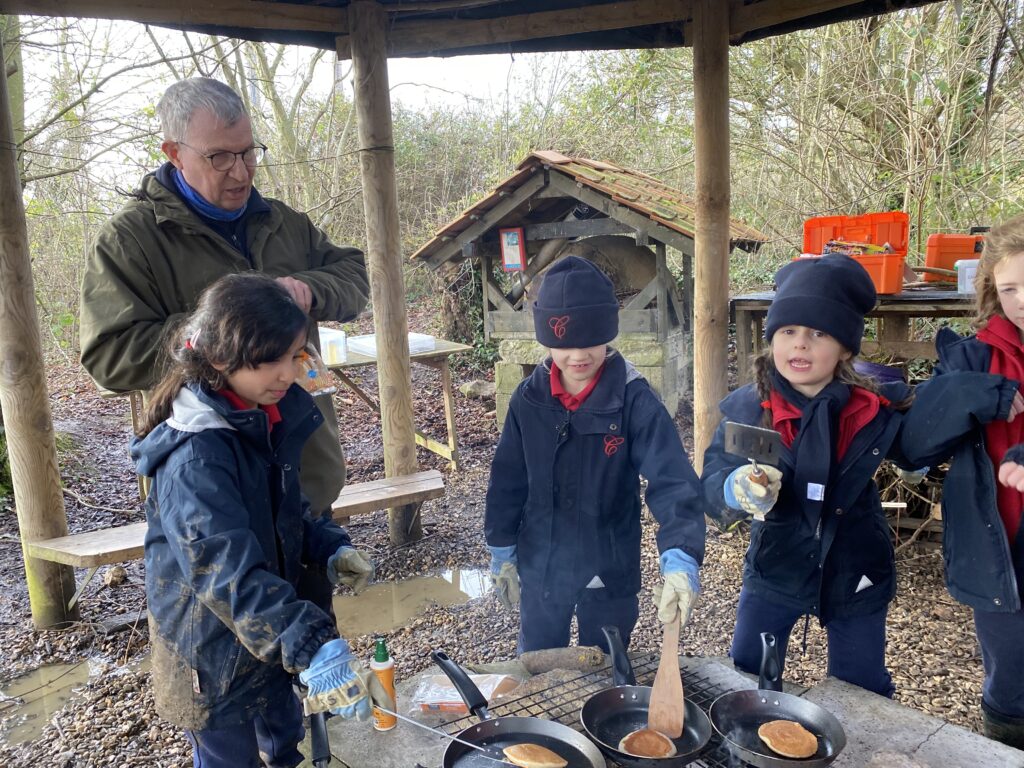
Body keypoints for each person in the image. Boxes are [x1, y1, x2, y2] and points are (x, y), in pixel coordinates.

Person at [79, 76, 369, 525]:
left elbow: (354, 276)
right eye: (219, 157)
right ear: (174, 153)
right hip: (210, 491)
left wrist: (309, 290)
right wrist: (221, 334)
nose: (241, 171)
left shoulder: (284, 222)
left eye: (249, 151)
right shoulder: (129, 240)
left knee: (310, 595)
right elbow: (109, 356)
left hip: (306, 478)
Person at [132, 273, 390, 768]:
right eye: (269, 360)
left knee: (288, 742)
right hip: (209, 643)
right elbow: (224, 573)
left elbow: (285, 508)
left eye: (293, 355)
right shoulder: (196, 456)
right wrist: (310, 644)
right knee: (231, 757)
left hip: (267, 626)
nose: (286, 374)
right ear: (219, 358)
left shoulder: (264, 412)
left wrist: (328, 546)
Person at [701, 254, 917, 698]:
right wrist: (734, 490)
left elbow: (919, 447)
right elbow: (711, 481)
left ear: (845, 349)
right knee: (747, 677)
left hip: (856, 566)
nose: (800, 345)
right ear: (772, 339)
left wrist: (920, 457)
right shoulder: (750, 409)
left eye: (819, 333)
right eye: (788, 331)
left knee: (863, 690)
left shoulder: (873, 409)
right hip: (776, 562)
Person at [484, 255, 707, 653]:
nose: (577, 356)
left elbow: (672, 482)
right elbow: (507, 480)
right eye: (563, 345)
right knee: (537, 665)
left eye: (590, 341)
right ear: (546, 339)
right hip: (542, 564)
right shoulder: (528, 399)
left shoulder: (634, 400)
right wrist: (502, 549)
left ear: (608, 332)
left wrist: (681, 556)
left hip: (610, 563)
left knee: (608, 671)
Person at [899, 216, 1024, 747]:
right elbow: (913, 447)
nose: (1021, 299)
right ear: (992, 290)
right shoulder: (973, 358)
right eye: (1010, 287)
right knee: (1010, 675)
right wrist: (969, 397)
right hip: (997, 546)